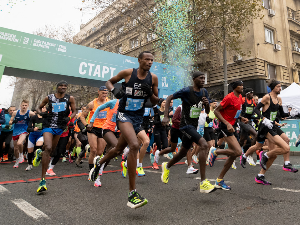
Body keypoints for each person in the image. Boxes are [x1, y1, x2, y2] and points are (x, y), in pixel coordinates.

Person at [89, 51, 159, 209]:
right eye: (147, 59)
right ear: (139, 60)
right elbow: (109, 82)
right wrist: (114, 91)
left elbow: (154, 101)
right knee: (134, 145)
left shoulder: (153, 78)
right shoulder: (128, 73)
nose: (149, 62)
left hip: (137, 118)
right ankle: (132, 193)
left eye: (152, 60)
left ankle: (99, 163)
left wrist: (149, 93)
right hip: (123, 115)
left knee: (118, 149)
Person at [161, 71, 215, 193]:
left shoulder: (204, 92)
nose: (203, 80)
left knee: (182, 153)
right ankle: (203, 183)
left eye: (204, 78)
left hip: (194, 126)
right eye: (201, 78)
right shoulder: (186, 91)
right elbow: (170, 97)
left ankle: (167, 166)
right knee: (204, 144)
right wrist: (166, 116)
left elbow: (206, 111)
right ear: (194, 79)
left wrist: (206, 104)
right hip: (185, 126)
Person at [240, 80, 297, 185]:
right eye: (278, 87)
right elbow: (256, 109)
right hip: (265, 126)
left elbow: (281, 114)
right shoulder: (267, 97)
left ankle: (261, 174)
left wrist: (290, 112)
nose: (280, 88)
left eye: (280, 87)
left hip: (273, 125)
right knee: (283, 148)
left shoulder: (279, 99)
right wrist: (263, 118)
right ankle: (260, 156)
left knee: (278, 144)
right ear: (273, 87)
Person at [33, 80, 76, 193]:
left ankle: (39, 153)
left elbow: (75, 111)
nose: (63, 87)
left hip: (60, 127)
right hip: (48, 125)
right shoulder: (49, 97)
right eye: (61, 85)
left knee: (51, 151)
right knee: (48, 147)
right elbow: (39, 107)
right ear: (57, 87)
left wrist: (70, 117)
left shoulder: (69, 98)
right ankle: (42, 180)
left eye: (65, 86)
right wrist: (41, 113)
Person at [208, 80, 245, 190]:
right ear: (234, 87)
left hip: (232, 126)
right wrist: (227, 123)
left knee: (233, 155)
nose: (242, 86)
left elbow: (234, 113)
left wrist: (241, 118)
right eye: (240, 85)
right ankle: (215, 151)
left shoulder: (239, 97)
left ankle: (219, 180)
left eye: (242, 85)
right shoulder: (229, 97)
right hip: (225, 127)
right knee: (238, 152)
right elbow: (216, 111)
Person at [88, 99, 120, 187]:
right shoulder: (114, 102)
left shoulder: (130, 104)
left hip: (119, 130)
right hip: (107, 129)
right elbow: (98, 108)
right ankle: (96, 167)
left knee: (109, 155)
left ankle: (97, 172)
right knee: (117, 147)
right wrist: (91, 122)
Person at [80, 86, 108, 180]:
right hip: (93, 128)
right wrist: (86, 125)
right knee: (94, 150)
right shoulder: (92, 103)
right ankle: (91, 170)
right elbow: (82, 116)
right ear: (98, 92)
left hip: (103, 128)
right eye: (103, 93)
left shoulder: (109, 102)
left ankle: (96, 168)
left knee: (100, 152)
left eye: (106, 93)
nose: (104, 95)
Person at [9, 100, 35, 168]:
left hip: (24, 130)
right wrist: (13, 121)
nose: (24, 106)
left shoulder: (30, 113)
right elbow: (10, 122)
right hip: (15, 131)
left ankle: (21, 155)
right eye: (23, 105)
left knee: (19, 143)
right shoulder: (15, 112)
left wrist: (32, 125)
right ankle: (17, 161)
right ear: (20, 105)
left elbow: (37, 118)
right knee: (15, 148)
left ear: (28, 106)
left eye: (25, 105)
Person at [238, 88, 257, 166]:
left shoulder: (253, 101)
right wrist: (240, 118)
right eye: (251, 93)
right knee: (255, 135)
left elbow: (255, 111)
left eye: (253, 93)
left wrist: (258, 117)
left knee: (242, 140)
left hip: (249, 121)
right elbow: (237, 110)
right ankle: (249, 155)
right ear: (246, 94)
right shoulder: (242, 100)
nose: (252, 94)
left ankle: (234, 153)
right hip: (242, 121)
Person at [25, 106, 46, 171]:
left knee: (38, 145)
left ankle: (37, 157)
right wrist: (33, 129)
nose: (43, 108)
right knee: (30, 151)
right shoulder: (34, 117)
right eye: (42, 107)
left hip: (40, 134)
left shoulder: (46, 118)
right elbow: (28, 128)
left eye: (45, 107)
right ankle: (29, 165)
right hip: (32, 135)